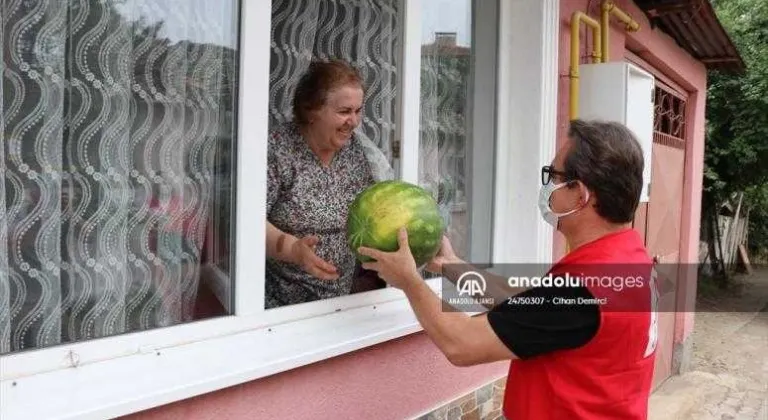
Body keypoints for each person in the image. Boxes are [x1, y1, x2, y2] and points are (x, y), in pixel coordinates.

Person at [358, 119, 658, 420]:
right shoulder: (630, 262)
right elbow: (528, 308)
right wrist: (451, 266)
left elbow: (462, 344)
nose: (547, 185)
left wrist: (409, 281)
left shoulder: (586, 288)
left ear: (580, 194)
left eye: (553, 175)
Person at [265, 59, 394, 308]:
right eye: (344, 111)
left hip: (341, 303)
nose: (354, 122)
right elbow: (246, 222)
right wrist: (292, 249)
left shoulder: (357, 151)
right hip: (280, 308)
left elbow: (379, 209)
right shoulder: (278, 149)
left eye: (358, 111)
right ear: (311, 109)